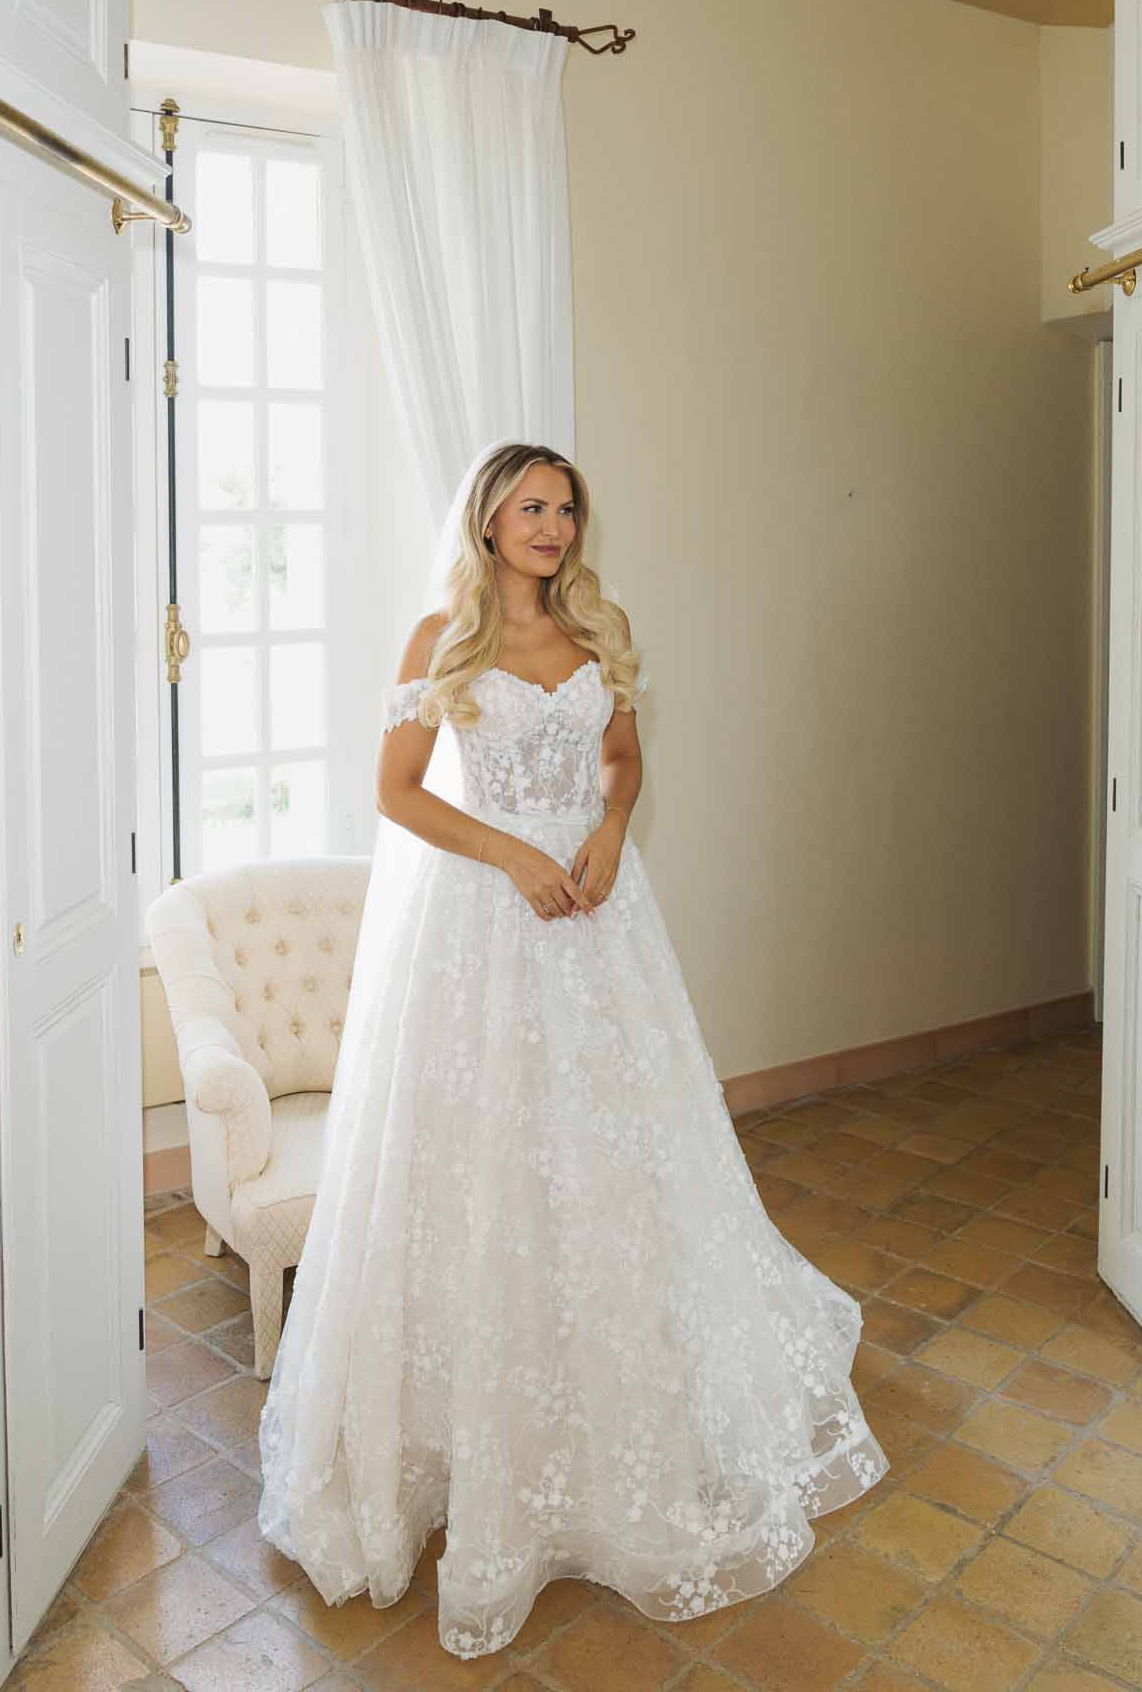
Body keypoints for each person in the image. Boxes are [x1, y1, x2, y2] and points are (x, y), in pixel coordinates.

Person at [257, 437, 890, 1659]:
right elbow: (397, 790)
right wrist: (514, 853)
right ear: (489, 518)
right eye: (530, 505)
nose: (551, 525)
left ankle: (621, 1403)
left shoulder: (599, 628)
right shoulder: (442, 636)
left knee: (621, 1150)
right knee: (485, 1153)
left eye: (565, 507)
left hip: (599, 919)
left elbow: (626, 755)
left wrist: (607, 828)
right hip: (485, 927)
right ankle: (467, 1429)